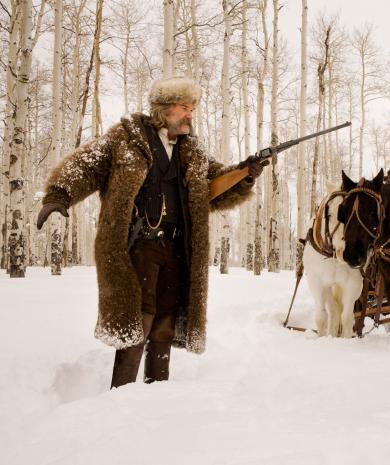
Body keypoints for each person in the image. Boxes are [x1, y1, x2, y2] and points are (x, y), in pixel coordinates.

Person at [36, 76, 266, 388]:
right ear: (164, 109)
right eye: (184, 107)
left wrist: (246, 174)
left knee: (165, 322)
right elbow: (86, 165)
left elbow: (215, 189)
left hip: (176, 248)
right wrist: (58, 195)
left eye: (192, 108)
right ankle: (121, 393)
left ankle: (156, 394)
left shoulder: (192, 151)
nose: (190, 115)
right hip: (138, 244)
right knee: (137, 322)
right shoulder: (126, 138)